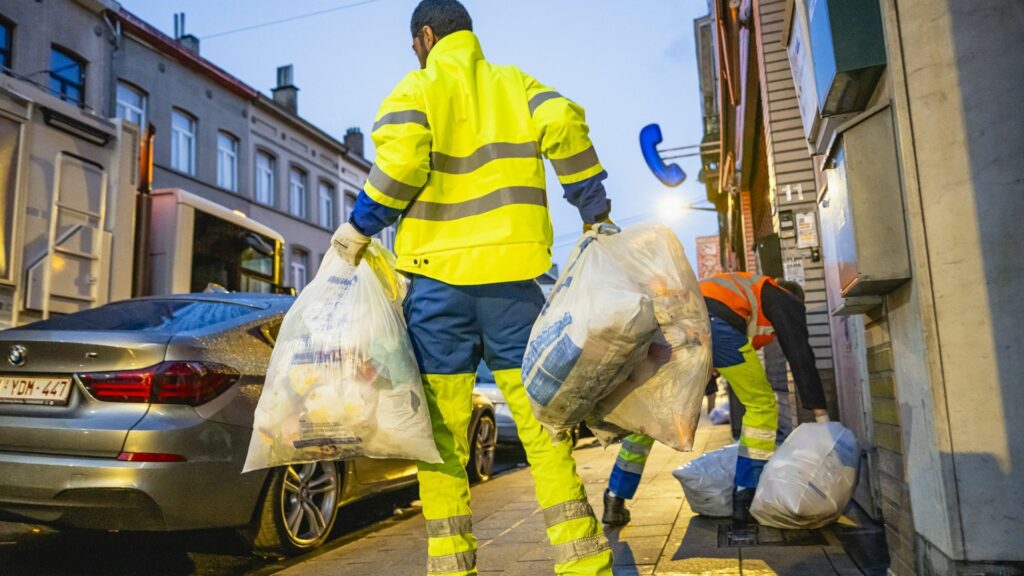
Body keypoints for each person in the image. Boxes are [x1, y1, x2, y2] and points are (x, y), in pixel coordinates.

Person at [331, 1, 615, 574]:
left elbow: (401, 165)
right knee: (543, 427)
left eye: (414, 43)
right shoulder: (517, 84)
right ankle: (584, 565)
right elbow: (564, 125)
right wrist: (594, 210)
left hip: (439, 290)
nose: (415, 52)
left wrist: (356, 230)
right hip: (514, 286)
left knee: (441, 438)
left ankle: (453, 568)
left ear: (426, 36)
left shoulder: (415, 90)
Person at [603, 273, 829, 525]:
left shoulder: (742, 289)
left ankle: (614, 498)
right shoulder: (780, 295)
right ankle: (746, 494)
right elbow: (799, 352)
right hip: (713, 325)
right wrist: (821, 413)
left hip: (672, 327)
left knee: (652, 417)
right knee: (761, 403)